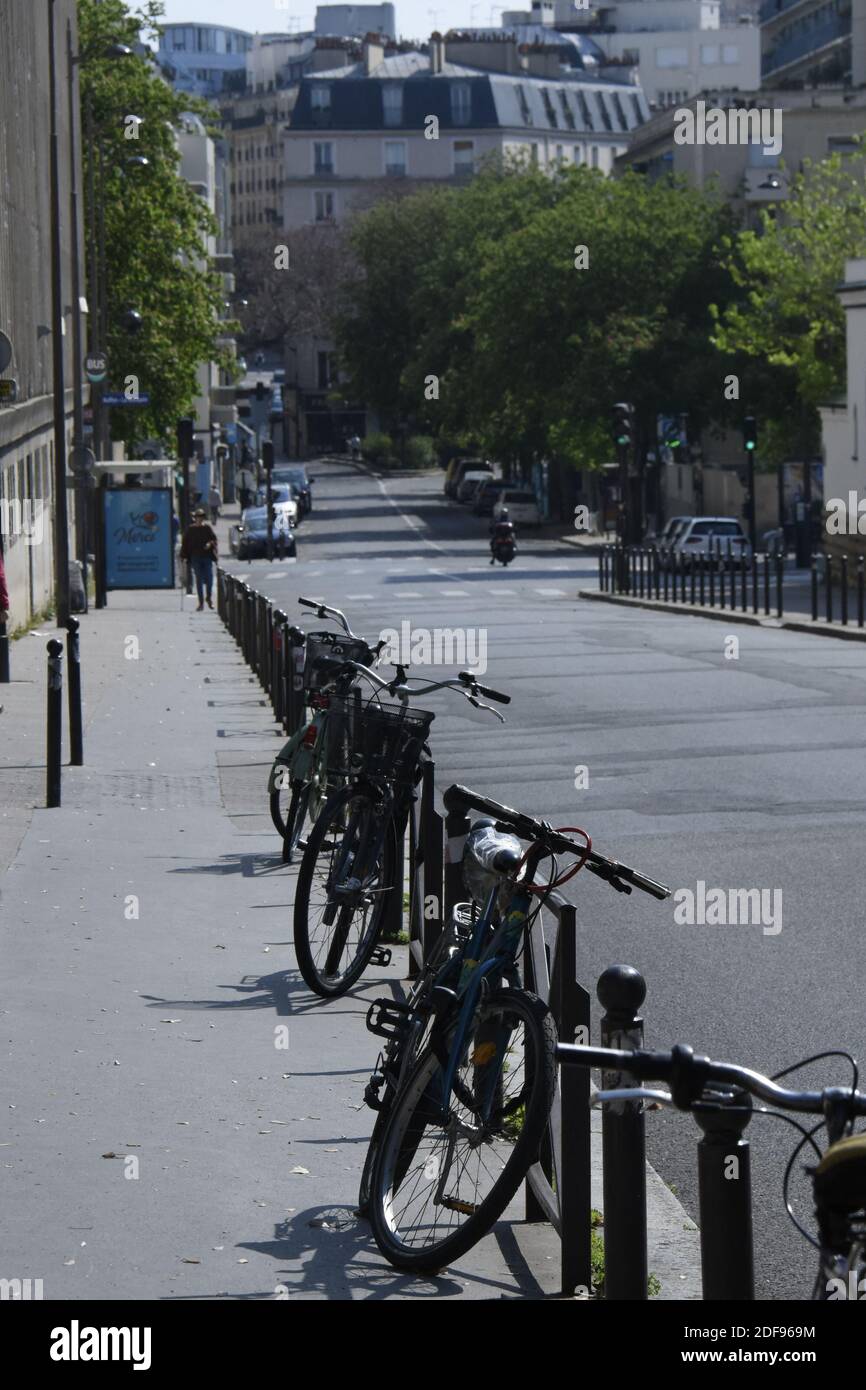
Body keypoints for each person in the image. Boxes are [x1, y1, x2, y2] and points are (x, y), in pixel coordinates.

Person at [180, 508, 218, 610]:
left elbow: (213, 539)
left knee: (209, 578)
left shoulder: (207, 528)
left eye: (201, 517)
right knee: (199, 579)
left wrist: (209, 544)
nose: (200, 519)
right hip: (195, 557)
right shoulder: (191, 529)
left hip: (206, 557)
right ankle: (201, 603)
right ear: (195, 518)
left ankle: (208, 598)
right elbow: (185, 543)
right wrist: (183, 556)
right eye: (198, 517)